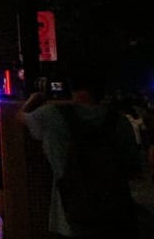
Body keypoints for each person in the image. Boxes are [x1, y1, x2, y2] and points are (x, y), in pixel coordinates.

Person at [21, 65, 143, 237]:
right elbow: (133, 167)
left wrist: (34, 98)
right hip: (117, 214)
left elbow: (20, 117)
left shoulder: (51, 114)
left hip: (72, 214)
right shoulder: (119, 121)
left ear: (71, 87)